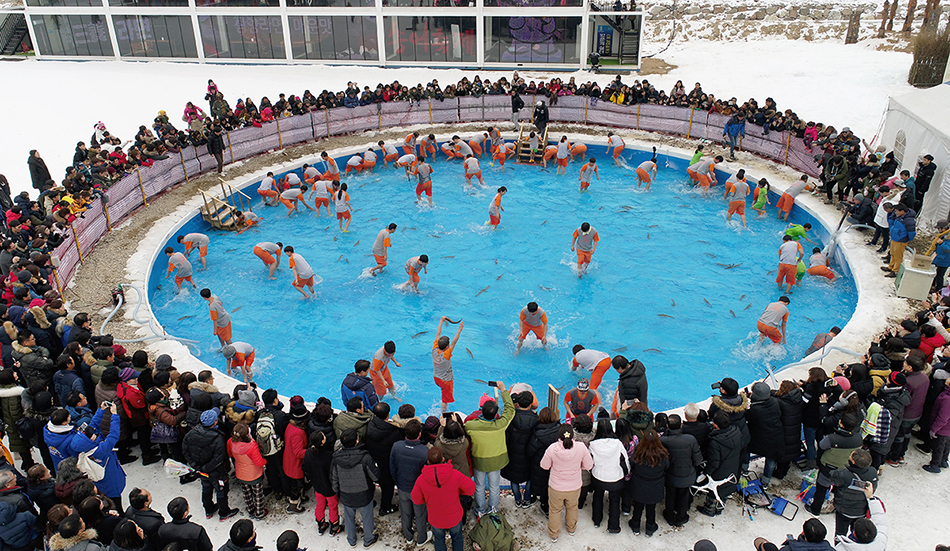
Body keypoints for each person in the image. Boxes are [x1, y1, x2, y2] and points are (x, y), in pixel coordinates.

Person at [465, 381, 515, 518]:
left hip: (480, 461)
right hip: (496, 461)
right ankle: (493, 508)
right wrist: (503, 390)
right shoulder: (500, 425)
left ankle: (480, 510)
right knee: (494, 487)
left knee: (479, 487)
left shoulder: (471, 426)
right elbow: (510, 410)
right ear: (495, 414)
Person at [412, 447, 475, 551]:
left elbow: (416, 499)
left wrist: (428, 498)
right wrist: (459, 492)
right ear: (443, 459)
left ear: (428, 461)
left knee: (439, 539)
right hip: (454, 517)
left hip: (436, 518)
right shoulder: (455, 474)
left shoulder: (421, 479)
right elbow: (471, 489)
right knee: (457, 538)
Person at [182, 407, 238, 522]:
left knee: (206, 487)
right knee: (221, 490)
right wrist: (206, 468)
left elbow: (185, 450)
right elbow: (218, 458)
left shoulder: (191, 433)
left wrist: (196, 466)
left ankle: (208, 509)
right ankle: (224, 511)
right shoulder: (217, 438)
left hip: (200, 469)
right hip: (216, 471)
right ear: (215, 422)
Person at [539, 423, 592, 542]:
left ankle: (554, 534)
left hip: (556, 487)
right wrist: (580, 466)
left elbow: (544, 465)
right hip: (574, 486)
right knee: (572, 508)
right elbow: (589, 465)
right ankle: (571, 528)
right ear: (573, 435)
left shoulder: (552, 448)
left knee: (554, 510)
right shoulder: (581, 447)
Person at [331, 428, 380, 548]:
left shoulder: (336, 458)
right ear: (357, 441)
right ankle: (368, 539)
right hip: (364, 494)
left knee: (349, 518)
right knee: (367, 518)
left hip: (346, 494)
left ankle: (351, 540)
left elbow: (334, 478)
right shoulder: (365, 457)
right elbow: (375, 477)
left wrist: (337, 491)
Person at [70, 402, 125, 507]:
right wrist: (114, 415)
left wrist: (101, 410)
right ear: (89, 441)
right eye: (92, 435)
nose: (95, 433)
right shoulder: (100, 450)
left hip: (102, 482)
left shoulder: (85, 448)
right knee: (116, 502)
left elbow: (92, 425)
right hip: (111, 480)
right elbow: (113, 435)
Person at [390, 419, 430, 546]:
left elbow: (392, 467)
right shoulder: (425, 451)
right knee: (420, 515)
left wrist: (398, 482)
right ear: (419, 434)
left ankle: (408, 536)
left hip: (402, 486)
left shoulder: (396, 446)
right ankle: (421, 538)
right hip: (418, 490)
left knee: (405, 513)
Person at [696, 412, 742, 517]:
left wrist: (706, 473)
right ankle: (720, 507)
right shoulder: (737, 432)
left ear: (716, 425)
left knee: (714, 490)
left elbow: (714, 462)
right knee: (725, 488)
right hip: (732, 465)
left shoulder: (715, 442)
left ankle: (709, 510)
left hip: (719, 470)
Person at [659, 414, 702, 527]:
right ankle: (681, 517)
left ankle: (669, 516)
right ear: (681, 425)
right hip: (687, 474)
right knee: (684, 496)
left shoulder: (663, 440)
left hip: (671, 474)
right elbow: (698, 459)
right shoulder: (690, 439)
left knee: (670, 495)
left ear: (667, 425)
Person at [588, 419, 629, 534]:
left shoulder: (592, 445)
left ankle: (597, 520)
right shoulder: (618, 443)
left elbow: (589, 461)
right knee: (614, 501)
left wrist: (592, 471)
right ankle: (614, 526)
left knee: (597, 497)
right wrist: (626, 473)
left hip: (598, 476)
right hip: (615, 477)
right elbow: (624, 460)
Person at [628, 429, 669, 537]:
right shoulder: (663, 454)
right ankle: (650, 527)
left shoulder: (638, 452)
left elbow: (631, 465)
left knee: (638, 506)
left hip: (639, 484)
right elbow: (667, 467)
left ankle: (635, 525)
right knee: (651, 508)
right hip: (655, 485)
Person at [501, 392, 538, 509]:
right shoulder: (536, 419)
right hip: (529, 454)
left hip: (514, 453)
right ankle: (527, 499)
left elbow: (506, 437)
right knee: (530, 477)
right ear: (531, 404)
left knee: (513, 477)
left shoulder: (512, 418)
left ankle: (517, 499)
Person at [745, 382, 784, 486]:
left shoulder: (756, 410)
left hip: (760, 437)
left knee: (746, 449)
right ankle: (766, 481)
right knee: (771, 458)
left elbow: (747, 416)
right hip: (776, 436)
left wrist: (745, 401)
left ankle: (744, 470)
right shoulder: (775, 402)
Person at [226, 423, 267, 520]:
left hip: (240, 473)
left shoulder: (230, 442)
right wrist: (265, 461)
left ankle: (250, 509)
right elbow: (259, 462)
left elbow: (230, 454)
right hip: (254, 474)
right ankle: (259, 512)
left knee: (246, 493)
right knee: (258, 494)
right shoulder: (251, 446)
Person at [433, 317, 463, 413]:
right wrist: (459, 330)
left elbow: (438, 334)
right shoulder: (446, 355)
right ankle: (443, 413)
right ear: (446, 347)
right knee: (445, 400)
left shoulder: (434, 349)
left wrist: (441, 321)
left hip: (436, 378)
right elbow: (454, 343)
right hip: (445, 381)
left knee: (443, 394)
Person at [924, 377, 950, 473]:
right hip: (948, 429)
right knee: (946, 444)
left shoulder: (947, 399)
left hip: (942, 428)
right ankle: (944, 460)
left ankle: (935, 465)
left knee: (938, 446)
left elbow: (942, 418)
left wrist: (934, 429)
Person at [884, 203, 916, 277]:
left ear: (902, 211)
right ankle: (891, 266)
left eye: (897, 211)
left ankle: (895, 271)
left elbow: (912, 233)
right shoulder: (899, 217)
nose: (895, 212)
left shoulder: (909, 220)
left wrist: (907, 239)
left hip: (901, 240)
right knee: (892, 253)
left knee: (898, 257)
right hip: (894, 238)